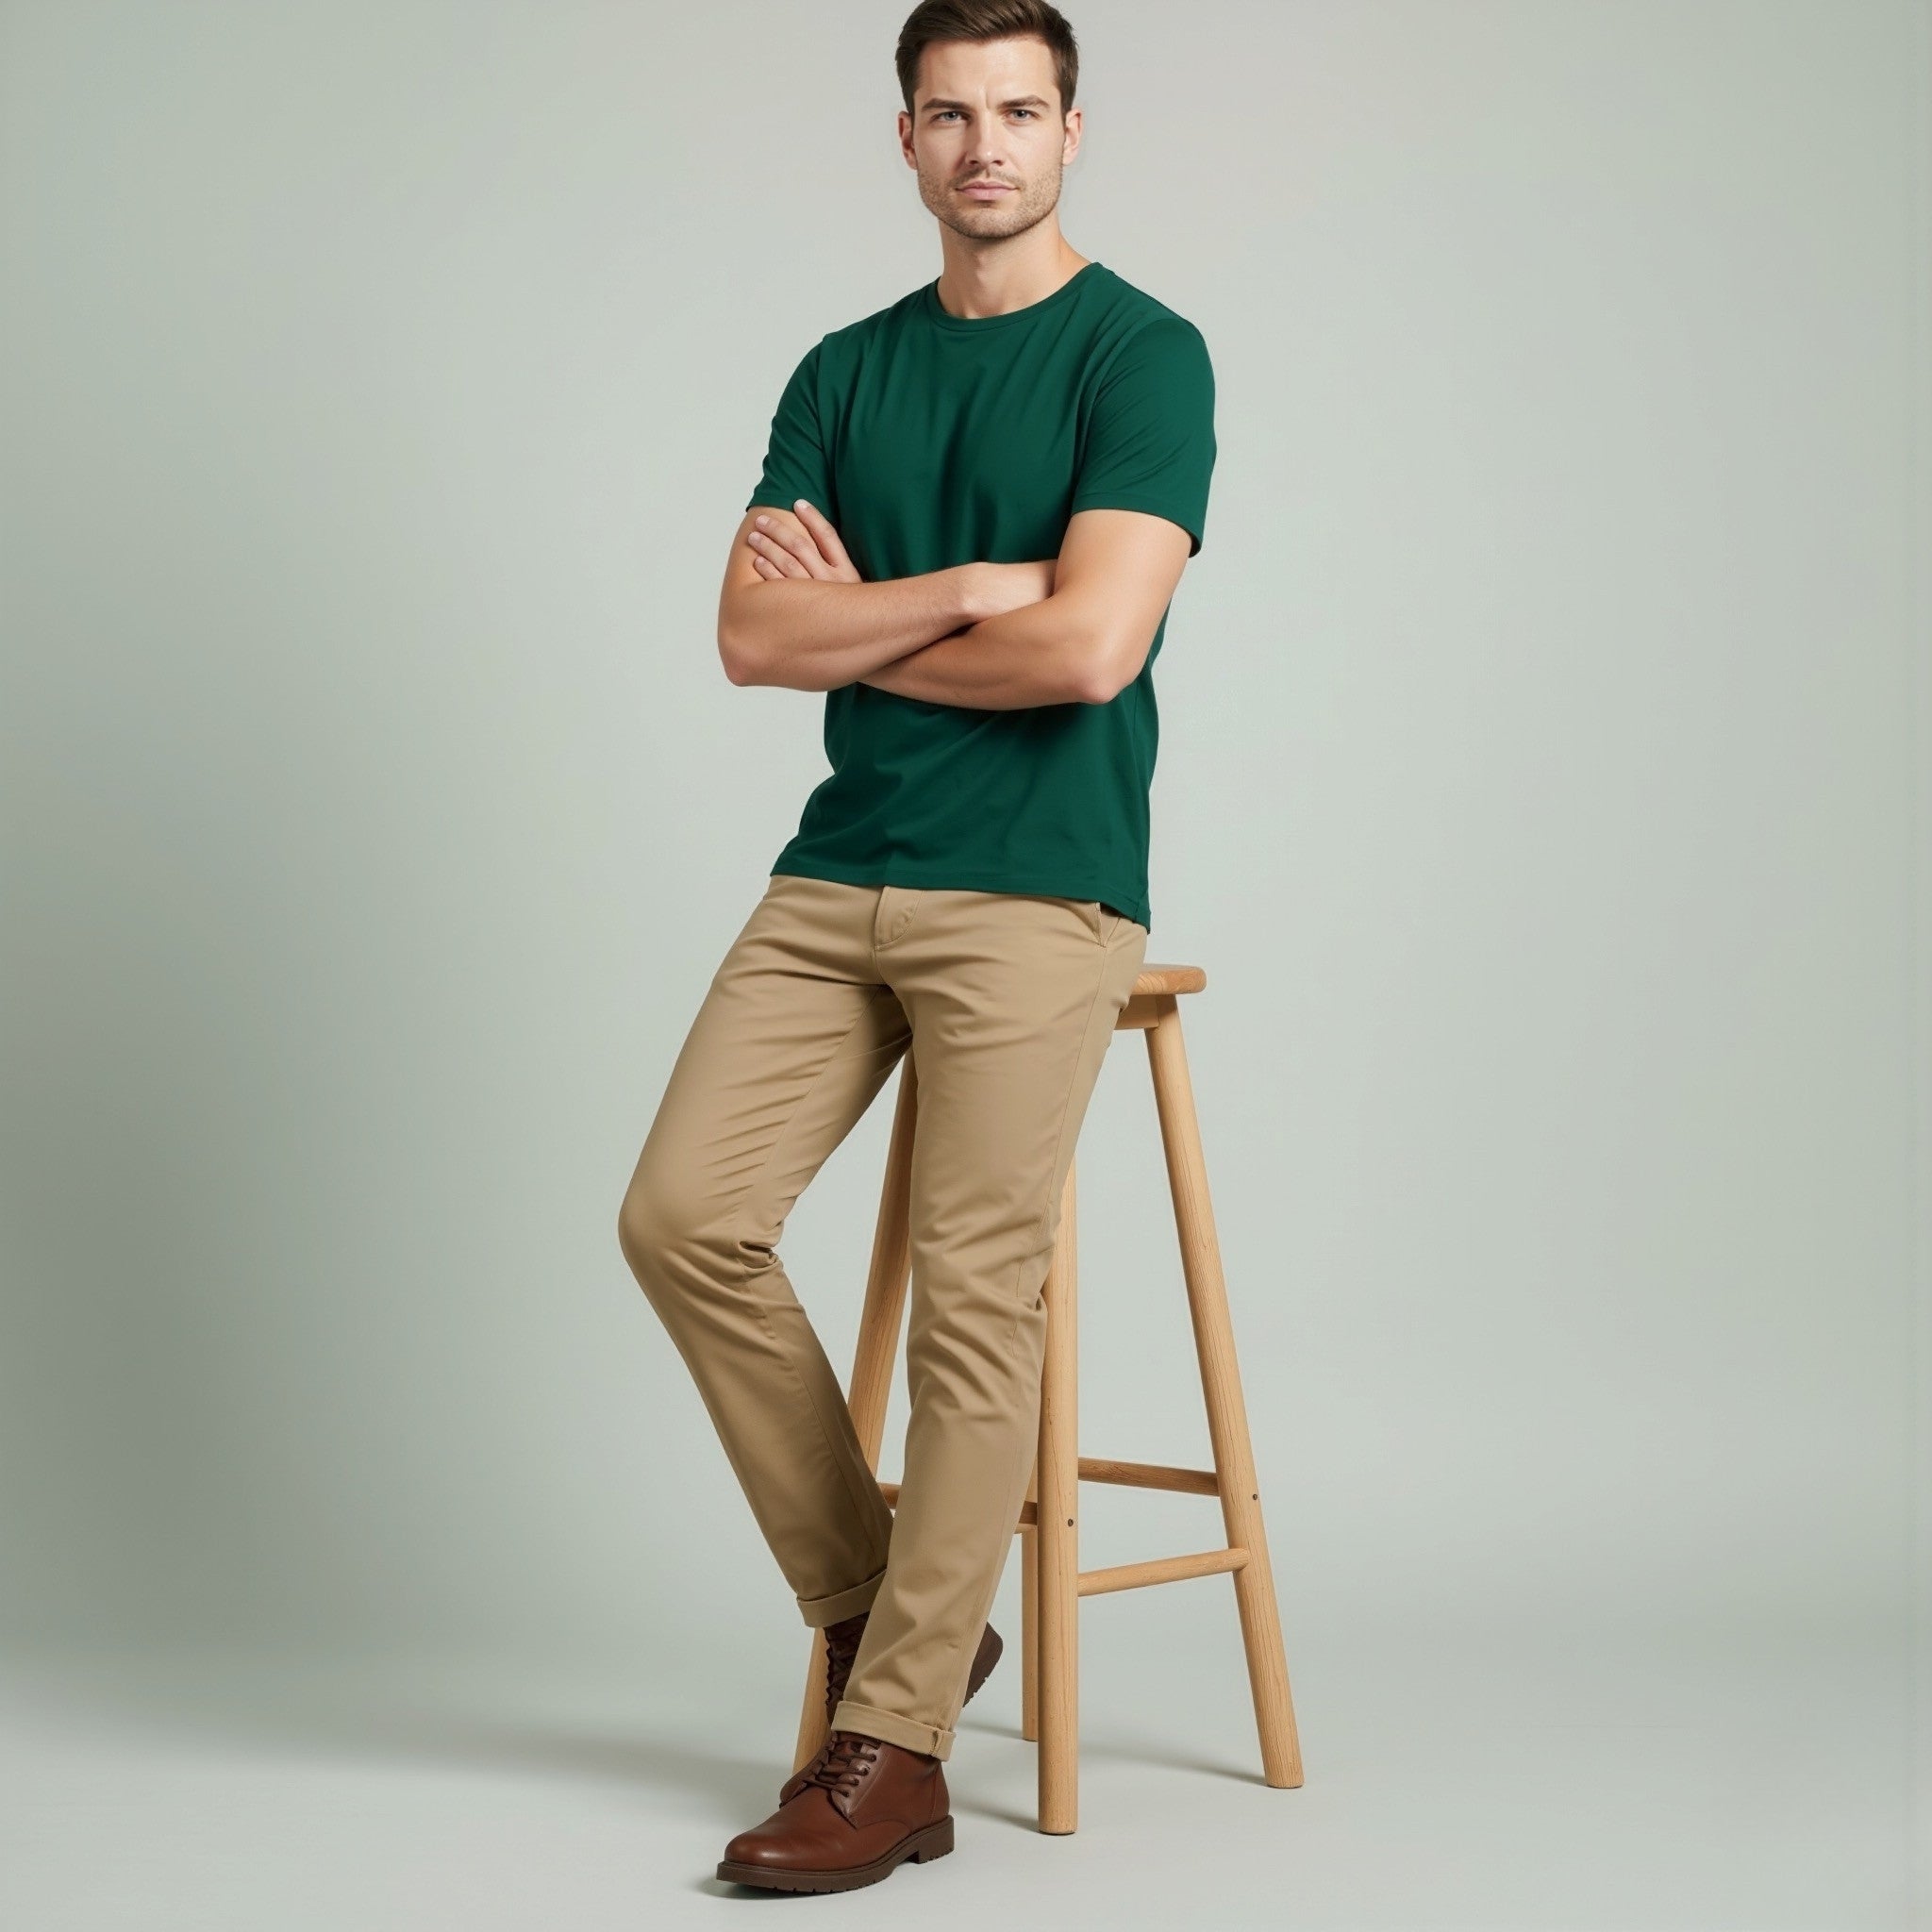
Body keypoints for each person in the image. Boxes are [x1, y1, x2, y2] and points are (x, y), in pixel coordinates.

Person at [616, 0, 1215, 1893]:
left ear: (1071, 131)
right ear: (904, 141)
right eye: (949, 114)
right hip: (838, 867)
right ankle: (904, 1610)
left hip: (1038, 883)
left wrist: (856, 622)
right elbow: (745, 642)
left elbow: (1094, 648)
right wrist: (961, 583)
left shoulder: (1141, 354)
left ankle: (891, 1751)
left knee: (977, 1296)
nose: (985, 147)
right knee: (679, 1216)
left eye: (1019, 112)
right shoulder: (841, 372)